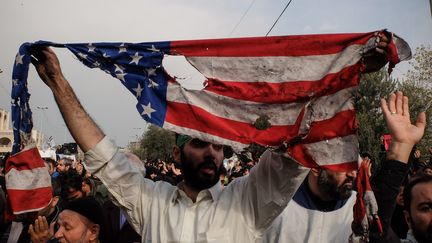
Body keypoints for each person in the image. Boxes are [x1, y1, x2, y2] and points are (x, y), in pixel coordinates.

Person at [31, 47, 310, 242]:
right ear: (177, 153)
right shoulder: (151, 202)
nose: (212, 153)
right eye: (200, 143)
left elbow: (292, 157)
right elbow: (100, 151)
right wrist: (58, 83)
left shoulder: (245, 201)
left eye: (218, 146)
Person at [262, 95, 426, 241]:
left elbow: (380, 211)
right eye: (343, 165)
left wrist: (401, 145)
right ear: (315, 166)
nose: (353, 173)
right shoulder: (274, 212)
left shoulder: (357, 211)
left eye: (354, 165)